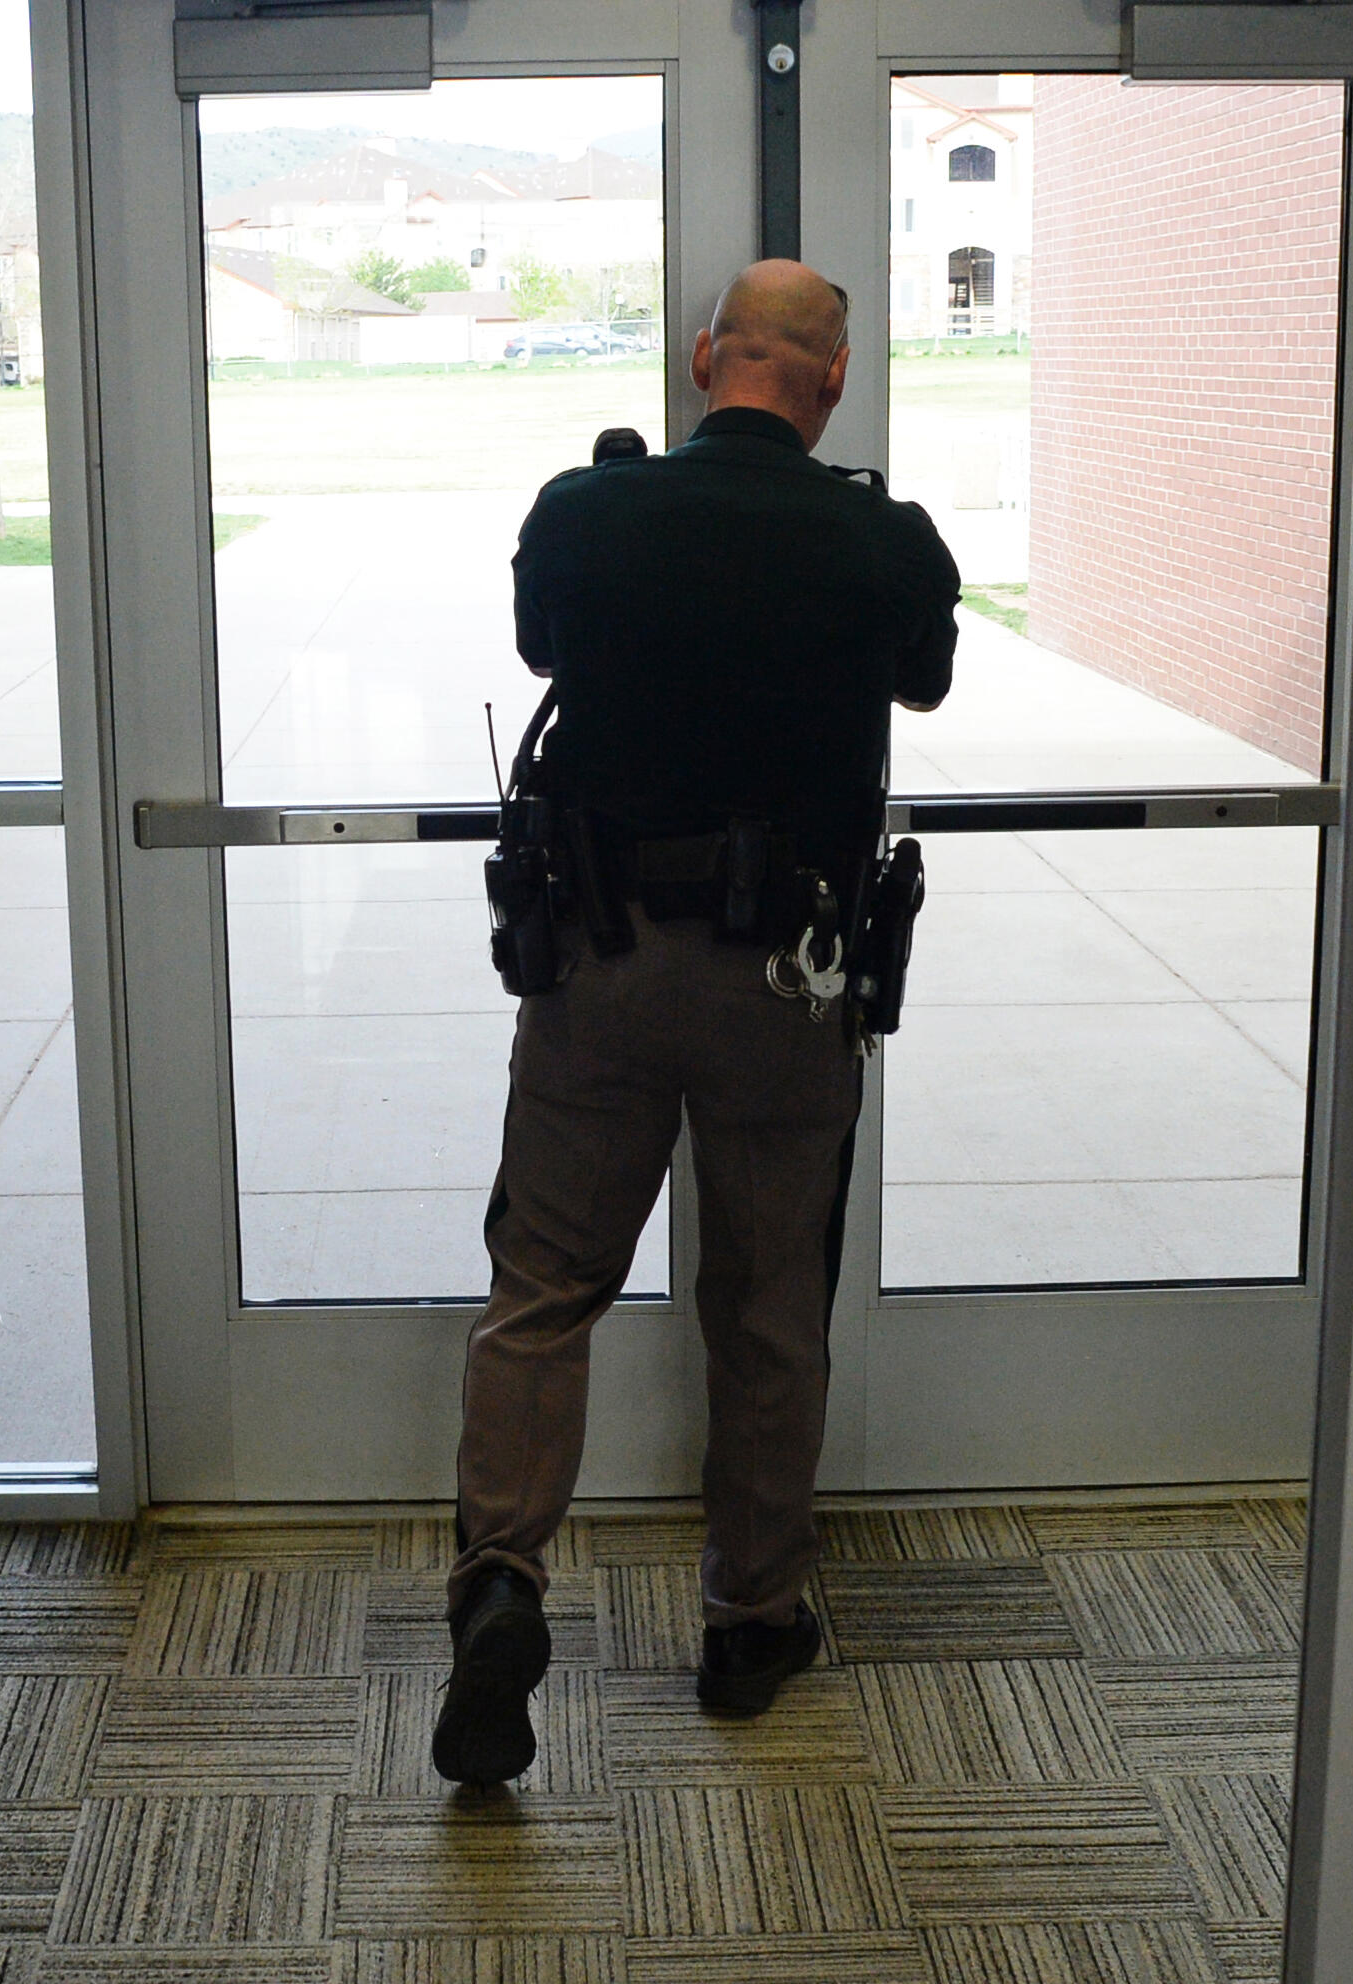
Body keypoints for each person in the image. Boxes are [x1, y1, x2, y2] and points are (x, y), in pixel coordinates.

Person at [433, 260, 959, 1786]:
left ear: (699, 360)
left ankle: (501, 1589)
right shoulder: (882, 541)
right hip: (786, 981)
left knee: (541, 1292)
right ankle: (746, 1623)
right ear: (834, 380)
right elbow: (921, 682)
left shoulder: (586, 513)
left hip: (594, 963)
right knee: (768, 1308)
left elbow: (544, 650)